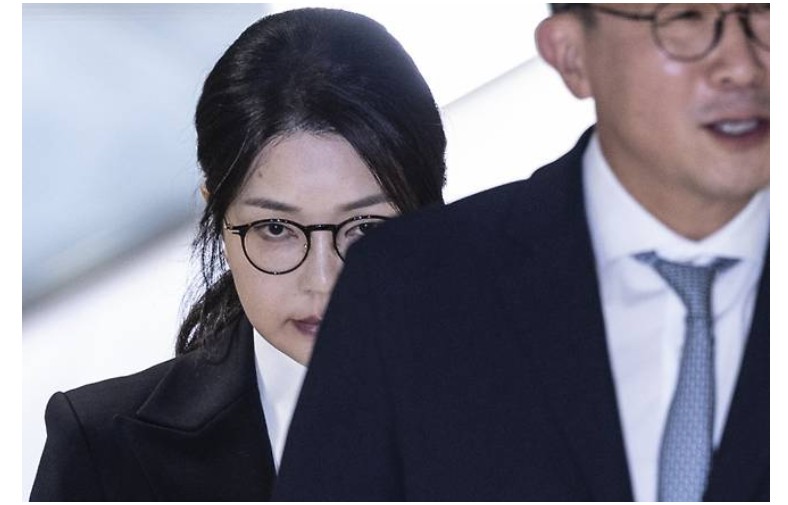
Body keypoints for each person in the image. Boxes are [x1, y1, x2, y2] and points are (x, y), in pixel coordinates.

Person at [275, 3, 769, 501]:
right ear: (571, 55)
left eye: (767, 13)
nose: (743, 67)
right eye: (685, 18)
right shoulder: (407, 286)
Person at [29, 7, 446, 501]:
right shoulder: (104, 449)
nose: (323, 280)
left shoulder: (518, 395)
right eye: (276, 228)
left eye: (366, 228)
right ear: (218, 215)